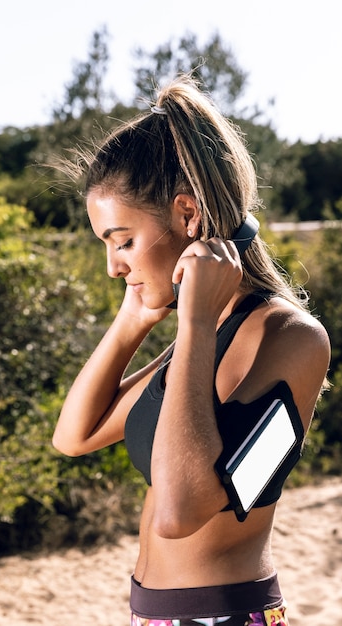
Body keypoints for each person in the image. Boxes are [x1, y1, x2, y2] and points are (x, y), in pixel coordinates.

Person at [52, 74, 330, 625]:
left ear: (187, 215)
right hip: (149, 614)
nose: (113, 267)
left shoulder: (291, 339)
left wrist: (197, 322)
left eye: (123, 241)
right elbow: (74, 436)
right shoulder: (197, 339)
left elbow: (180, 512)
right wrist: (134, 319)